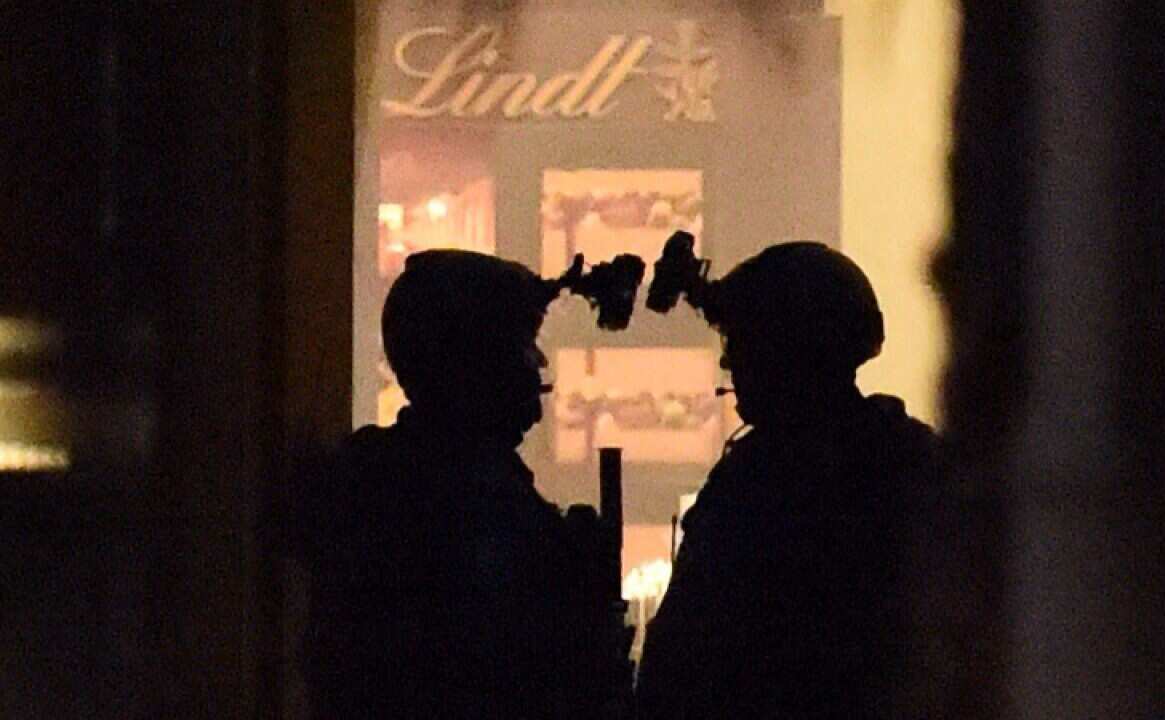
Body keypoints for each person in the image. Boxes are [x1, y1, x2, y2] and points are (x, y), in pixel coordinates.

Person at [291, 250, 630, 718]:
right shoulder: (467, 502)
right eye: (524, 341)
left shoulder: (378, 475)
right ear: (476, 360)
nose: (539, 360)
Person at [637, 238, 941, 718]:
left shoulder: (754, 485)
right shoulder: (916, 462)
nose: (728, 362)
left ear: (786, 350)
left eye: (741, 343)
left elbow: (681, 667)